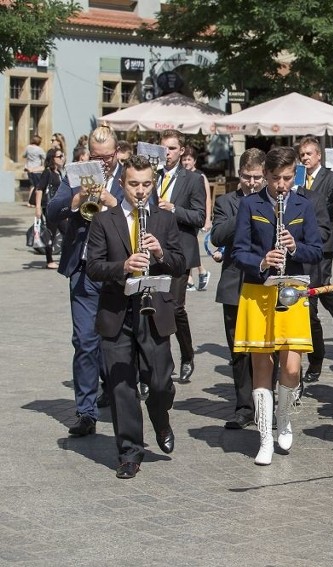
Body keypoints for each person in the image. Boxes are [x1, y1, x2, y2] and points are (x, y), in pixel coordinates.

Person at [85, 155, 186, 479]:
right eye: (133, 184)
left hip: (153, 310)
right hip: (118, 312)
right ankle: (129, 451)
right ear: (122, 183)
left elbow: (179, 263)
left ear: (152, 184)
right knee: (121, 387)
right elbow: (93, 266)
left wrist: (159, 254)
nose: (140, 191)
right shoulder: (104, 219)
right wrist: (122, 267)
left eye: (145, 184)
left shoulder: (164, 219)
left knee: (159, 383)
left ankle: (161, 419)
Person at [231, 147, 323, 465]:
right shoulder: (250, 204)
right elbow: (237, 251)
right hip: (259, 292)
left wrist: (294, 247)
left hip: (292, 291)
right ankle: (265, 436)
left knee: (292, 367)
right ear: (266, 175)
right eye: (275, 179)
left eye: (287, 178)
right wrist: (260, 260)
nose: (281, 185)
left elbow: (317, 249)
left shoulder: (303, 205)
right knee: (262, 367)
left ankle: (283, 419)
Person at [47, 126, 124, 436]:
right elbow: (53, 211)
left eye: (106, 157)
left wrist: (111, 201)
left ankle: (116, 392)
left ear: (117, 153)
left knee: (116, 341)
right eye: (95, 156)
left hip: (117, 269)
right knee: (84, 341)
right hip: (83, 271)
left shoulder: (129, 176)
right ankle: (86, 412)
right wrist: (78, 198)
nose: (101, 162)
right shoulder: (75, 174)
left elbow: (146, 214)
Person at [210, 148, 266, 429]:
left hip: (266, 284)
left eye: (257, 177)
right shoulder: (227, 202)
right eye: (247, 177)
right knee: (238, 350)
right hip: (235, 284)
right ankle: (244, 406)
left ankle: (266, 402)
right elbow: (217, 235)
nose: (252, 183)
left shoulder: (274, 201)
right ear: (239, 174)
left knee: (268, 348)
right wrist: (246, 209)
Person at [156, 129, 207, 383]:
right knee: (154, 307)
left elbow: (199, 216)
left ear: (182, 151)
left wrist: (173, 208)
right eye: (164, 148)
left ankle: (187, 354)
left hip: (180, 250)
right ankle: (160, 362)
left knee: (175, 307)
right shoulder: (151, 176)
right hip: (153, 248)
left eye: (172, 148)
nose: (167, 153)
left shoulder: (192, 179)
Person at [297, 136, 333, 381]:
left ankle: (318, 355)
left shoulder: (332, 179)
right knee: (316, 297)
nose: (305, 158)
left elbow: (330, 212)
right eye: (302, 154)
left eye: (309, 154)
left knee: (318, 292)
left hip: (322, 244)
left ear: (319, 156)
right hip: (299, 245)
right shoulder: (295, 177)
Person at [181, 146, 212, 292]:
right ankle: (194, 276)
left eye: (189, 159)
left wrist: (207, 219)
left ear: (194, 161)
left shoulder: (199, 176)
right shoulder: (180, 175)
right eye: (184, 159)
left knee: (189, 246)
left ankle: (198, 273)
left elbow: (207, 199)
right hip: (184, 215)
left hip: (194, 216)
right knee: (188, 247)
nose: (186, 162)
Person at [35, 147, 66, 269]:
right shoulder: (47, 172)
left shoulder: (58, 172)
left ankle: (67, 257)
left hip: (59, 208)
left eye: (62, 156)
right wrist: (37, 208)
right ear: (52, 158)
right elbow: (39, 189)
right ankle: (49, 261)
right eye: (59, 156)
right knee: (51, 234)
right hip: (50, 208)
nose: (62, 158)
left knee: (67, 231)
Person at [24, 135, 46, 207]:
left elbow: (24, 155)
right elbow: (45, 157)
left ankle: (29, 201)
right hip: (37, 169)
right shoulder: (39, 149)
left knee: (32, 185)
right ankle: (33, 201)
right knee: (37, 186)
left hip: (29, 168)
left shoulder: (28, 147)